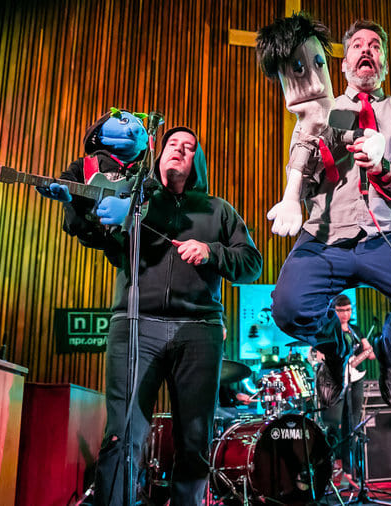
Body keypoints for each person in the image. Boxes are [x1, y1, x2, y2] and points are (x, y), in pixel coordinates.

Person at [41, 125, 263, 505]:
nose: (179, 149)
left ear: (197, 161)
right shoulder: (134, 200)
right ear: (158, 156)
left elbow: (252, 264)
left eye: (189, 147)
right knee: (123, 434)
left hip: (199, 330)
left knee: (194, 442)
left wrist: (211, 252)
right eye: (172, 144)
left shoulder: (218, 210)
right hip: (135, 324)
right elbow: (96, 237)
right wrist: (74, 205)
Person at [264, 17, 391, 408]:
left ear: (385, 64)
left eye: (375, 46)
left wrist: (385, 167)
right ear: (343, 65)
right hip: (325, 234)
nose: (366, 49)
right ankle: (334, 350)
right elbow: (303, 178)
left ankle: (388, 347)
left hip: (388, 235)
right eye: (356, 46)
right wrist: (297, 190)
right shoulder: (320, 110)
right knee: (287, 309)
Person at [317, 294, 374, 485]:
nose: (345, 314)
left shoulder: (355, 330)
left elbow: (370, 353)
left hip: (355, 379)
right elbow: (319, 356)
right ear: (333, 311)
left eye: (348, 310)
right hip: (335, 380)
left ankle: (350, 471)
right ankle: (331, 470)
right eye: (340, 310)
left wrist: (363, 354)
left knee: (353, 425)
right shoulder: (327, 330)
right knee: (333, 425)